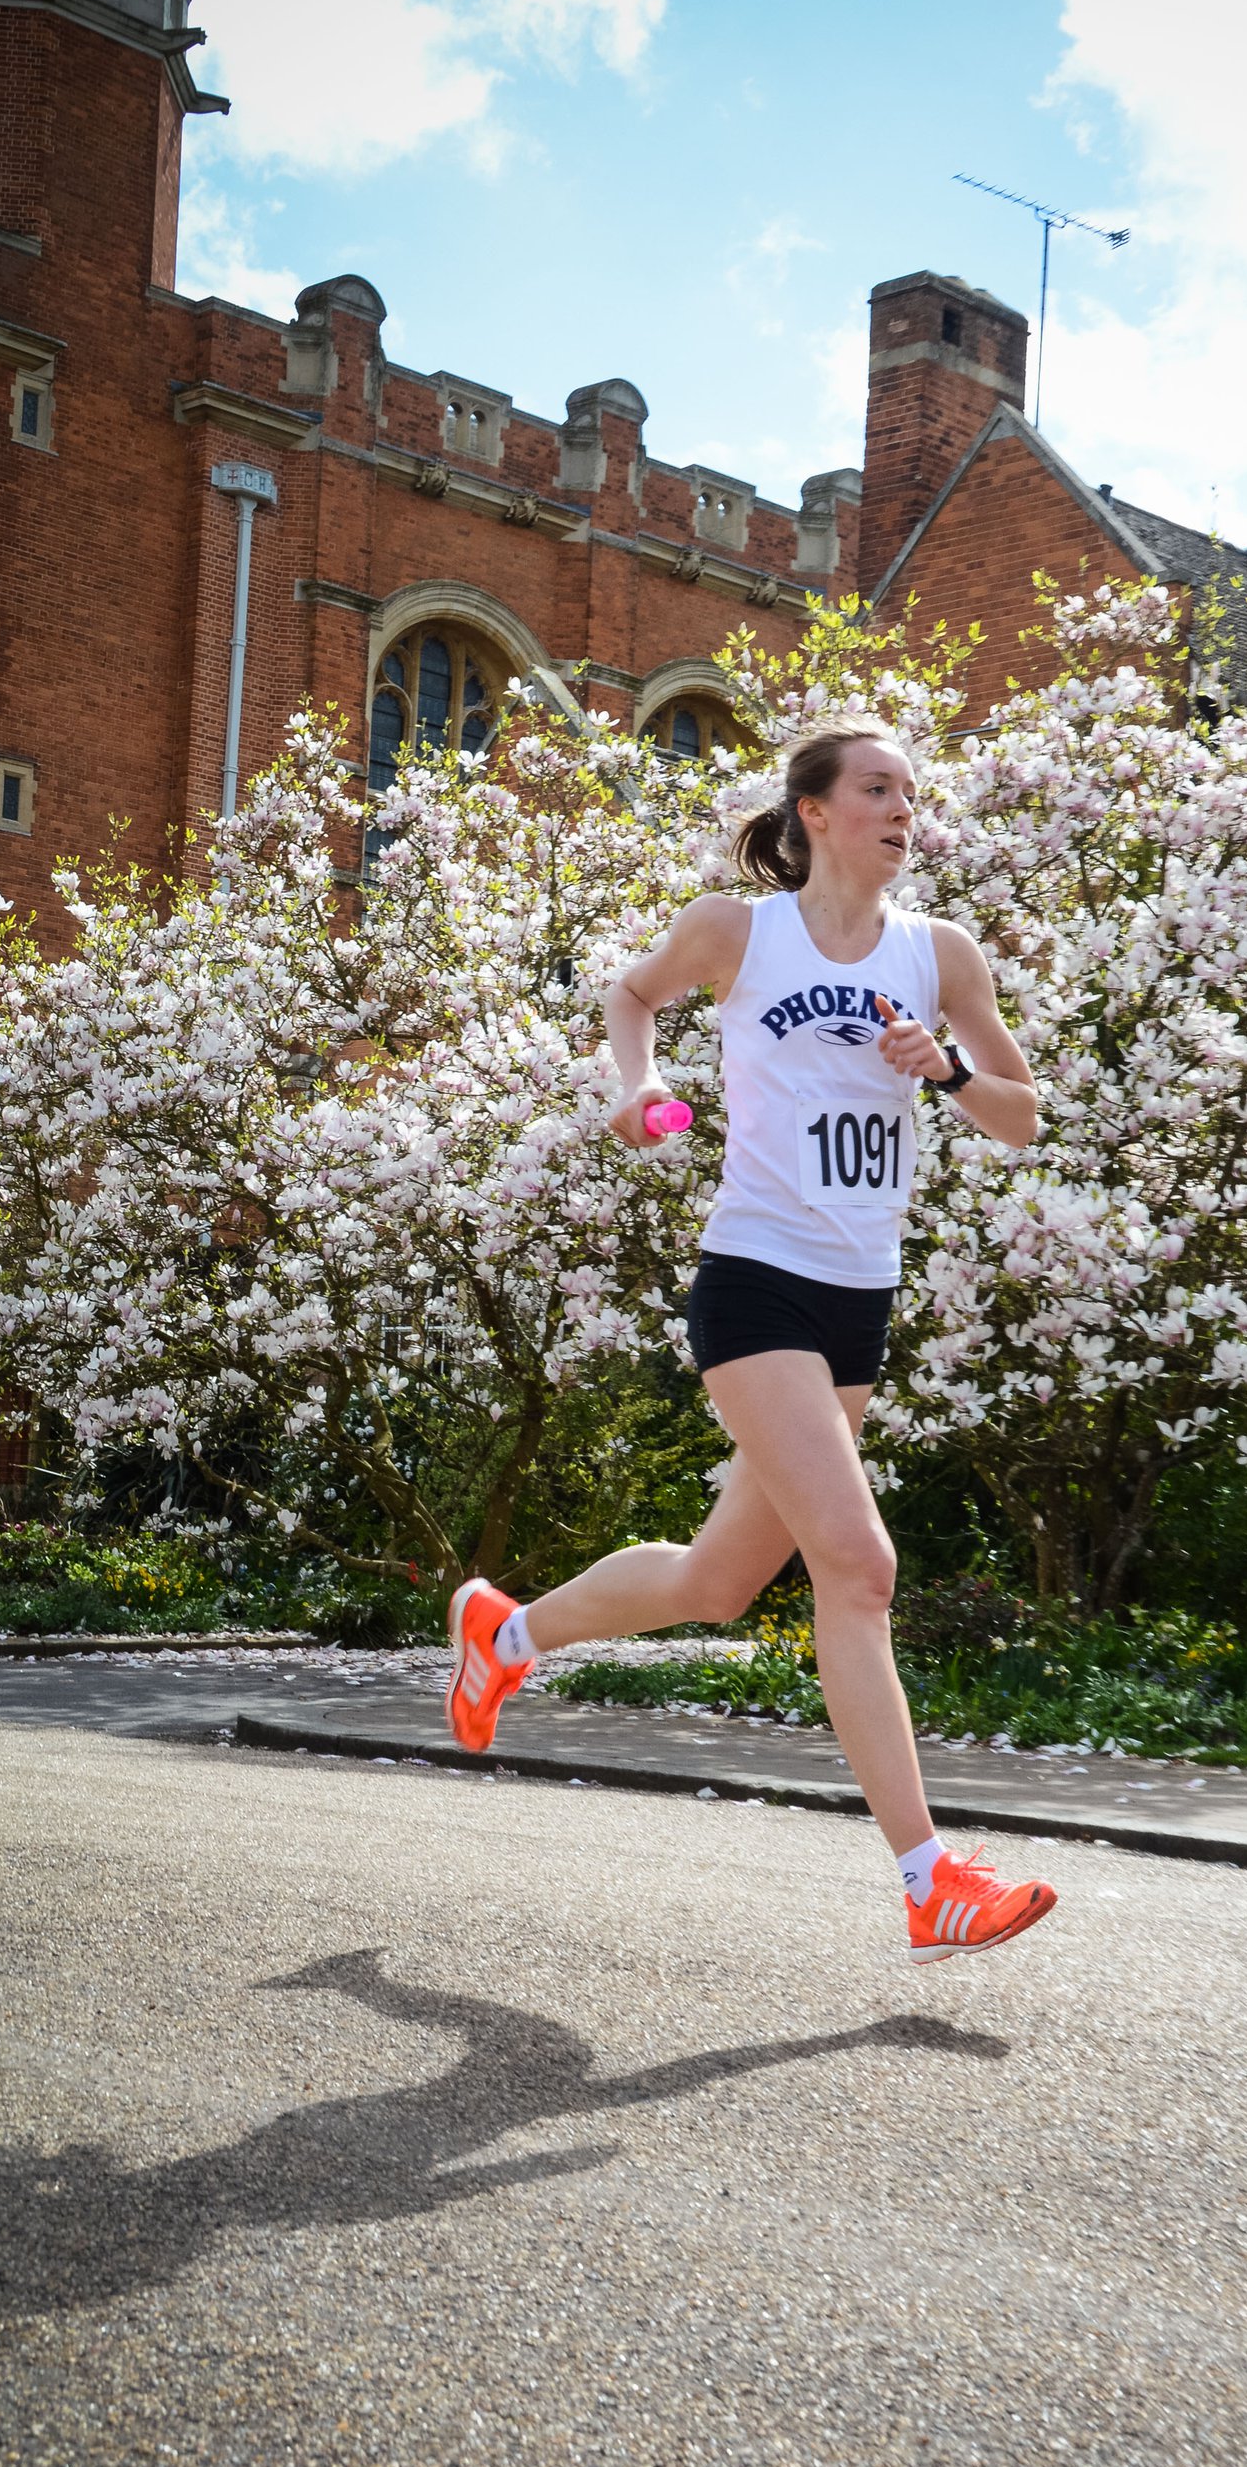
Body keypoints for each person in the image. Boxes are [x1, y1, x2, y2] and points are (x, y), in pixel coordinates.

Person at [444, 715, 1059, 1962]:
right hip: (755, 1285)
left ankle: (501, 1634)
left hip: (856, 1300)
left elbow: (1022, 1119)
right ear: (815, 812)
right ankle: (927, 1877)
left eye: (911, 794)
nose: (903, 809)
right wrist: (632, 1089)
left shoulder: (941, 955)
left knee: (718, 1583)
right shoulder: (740, 931)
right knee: (859, 1563)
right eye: (876, 789)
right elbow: (631, 994)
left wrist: (942, 1068)